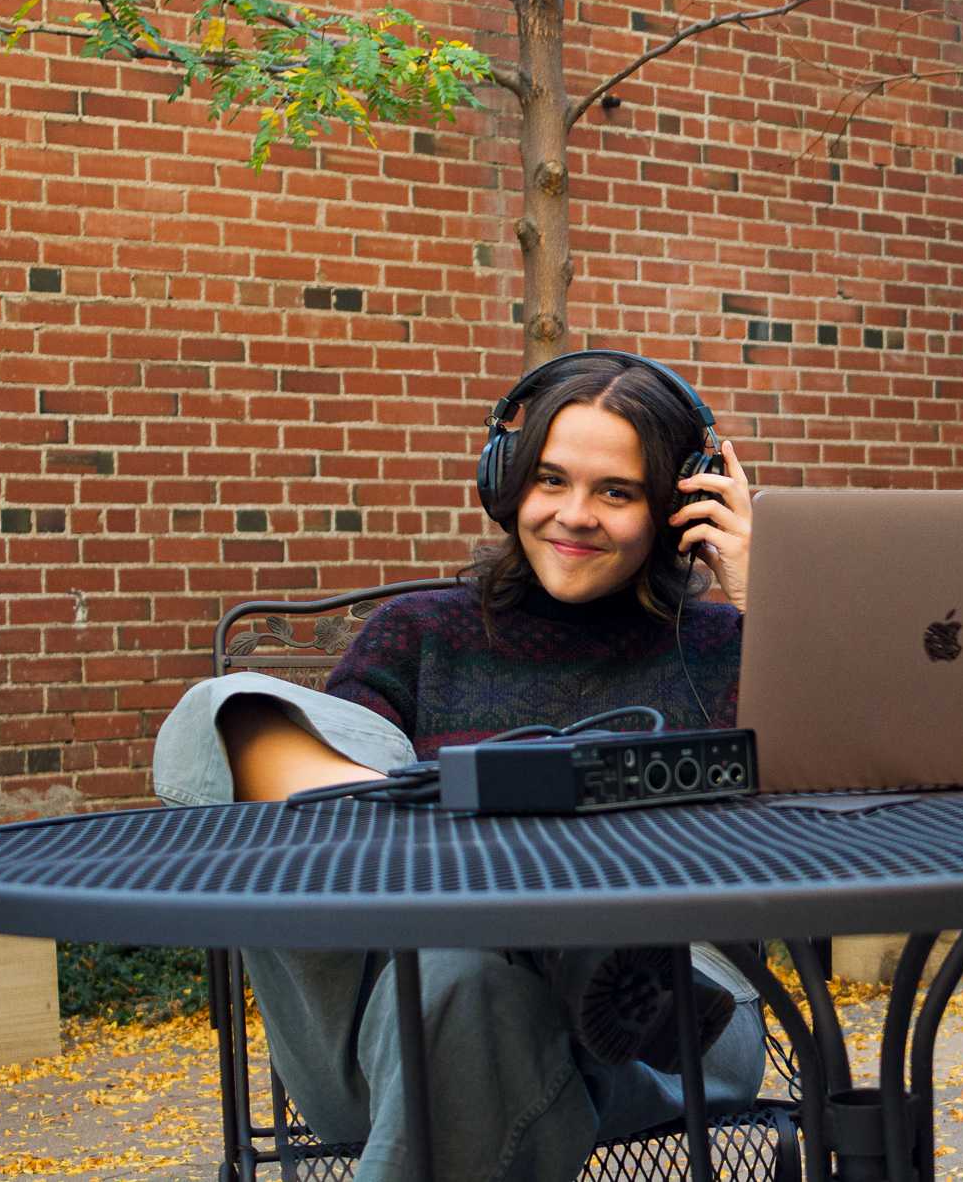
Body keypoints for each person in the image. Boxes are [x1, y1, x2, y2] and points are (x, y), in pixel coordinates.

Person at [152, 350, 766, 1182]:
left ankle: (516, 927)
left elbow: (863, 791)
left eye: (615, 492)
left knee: (467, 981)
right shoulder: (417, 634)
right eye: (551, 479)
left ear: (676, 504)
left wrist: (769, 601)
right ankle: (519, 921)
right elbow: (314, 846)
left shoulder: (731, 647)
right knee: (216, 712)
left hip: (670, 1016)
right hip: (384, 1012)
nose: (574, 514)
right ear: (507, 482)